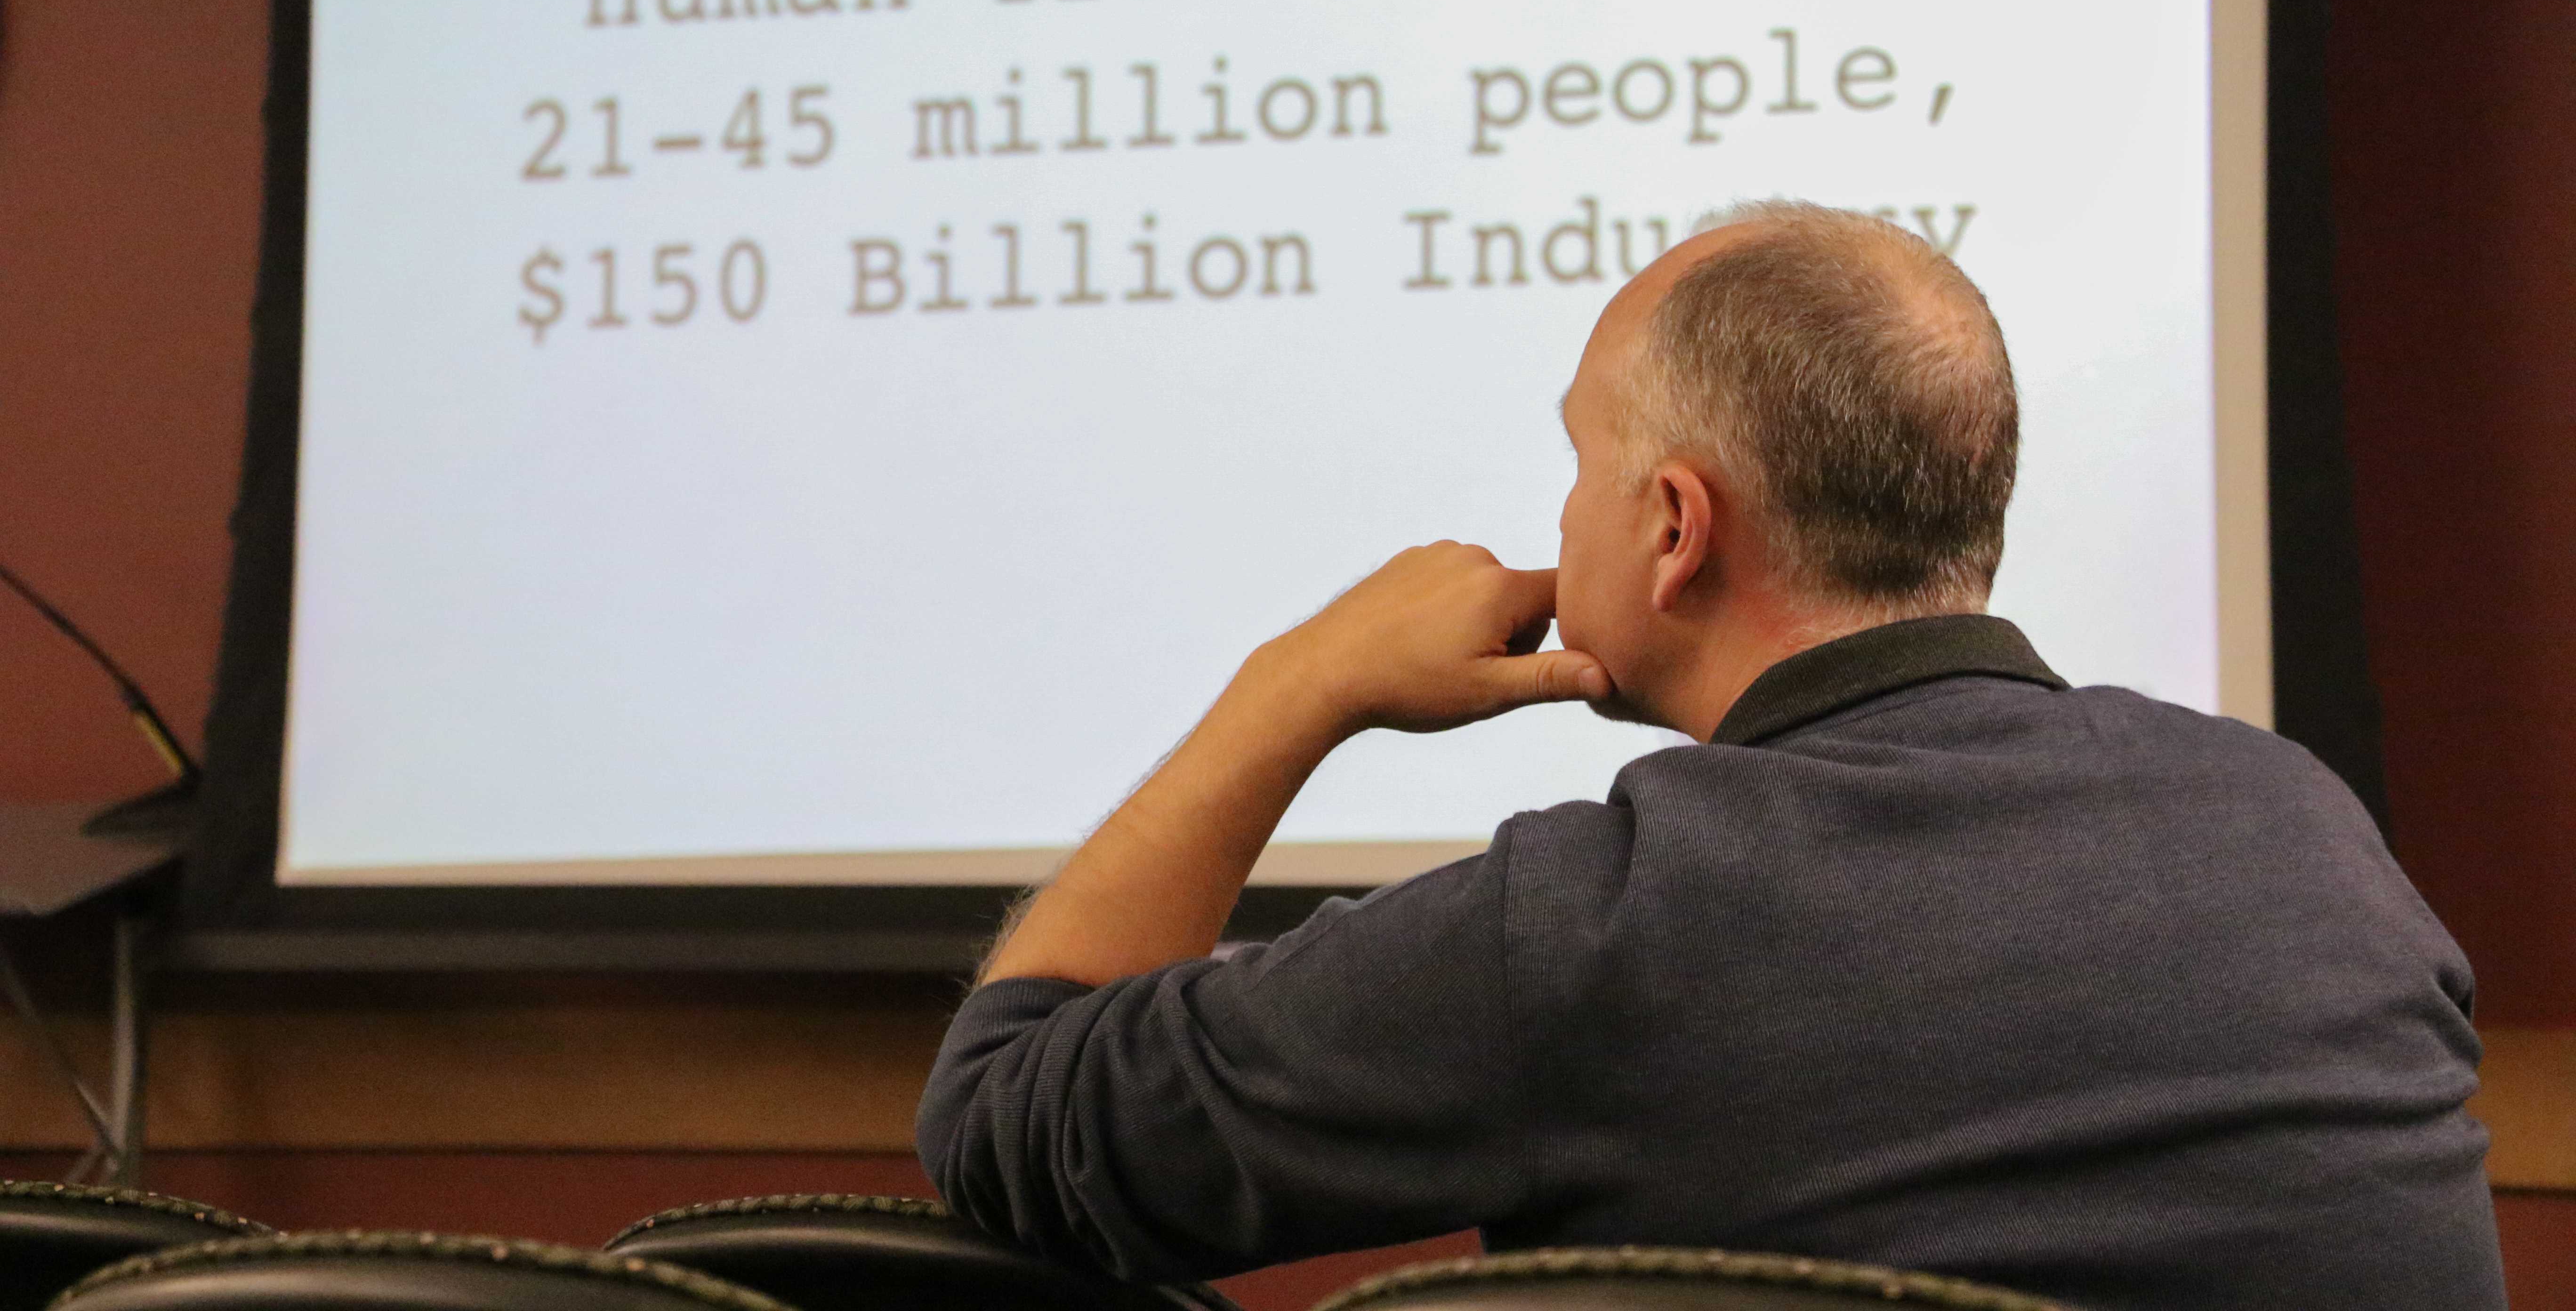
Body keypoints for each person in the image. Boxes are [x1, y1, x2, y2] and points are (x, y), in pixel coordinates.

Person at [915, 201, 2504, 1310]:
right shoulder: (2301, 827)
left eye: (1580, 459)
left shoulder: (1603, 923)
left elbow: (1011, 1124)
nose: (1559, 512)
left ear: (1673, 527)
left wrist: (1297, 686)